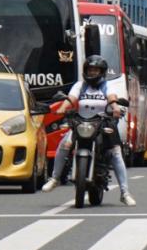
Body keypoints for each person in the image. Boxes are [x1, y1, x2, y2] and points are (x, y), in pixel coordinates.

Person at [42, 55, 135, 206]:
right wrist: (61, 109)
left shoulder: (107, 86)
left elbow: (112, 98)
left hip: (102, 122)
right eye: (90, 69)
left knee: (115, 153)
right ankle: (55, 178)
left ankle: (124, 192)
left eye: (96, 70)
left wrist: (116, 108)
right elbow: (70, 99)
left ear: (102, 72)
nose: (92, 73)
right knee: (64, 144)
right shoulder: (80, 85)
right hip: (81, 122)